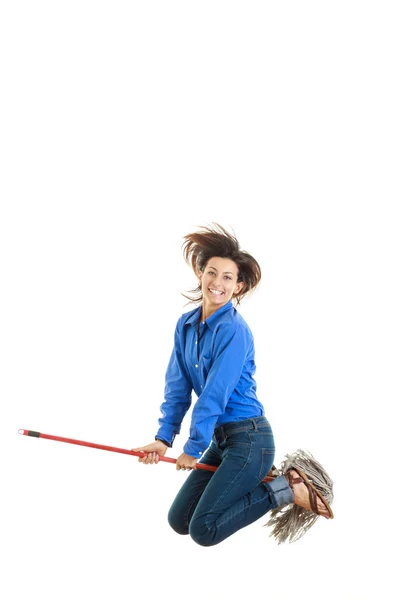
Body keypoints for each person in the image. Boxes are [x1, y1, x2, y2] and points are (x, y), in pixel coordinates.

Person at [132, 223, 333, 547]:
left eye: (228, 277)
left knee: (204, 530)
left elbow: (215, 394)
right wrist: (163, 439)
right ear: (201, 273)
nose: (217, 283)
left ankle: (285, 487)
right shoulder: (184, 325)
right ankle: (265, 481)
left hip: (250, 439)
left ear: (238, 286)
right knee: (179, 520)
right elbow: (177, 387)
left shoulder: (234, 331)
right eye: (212, 272)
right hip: (222, 440)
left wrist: (193, 447)